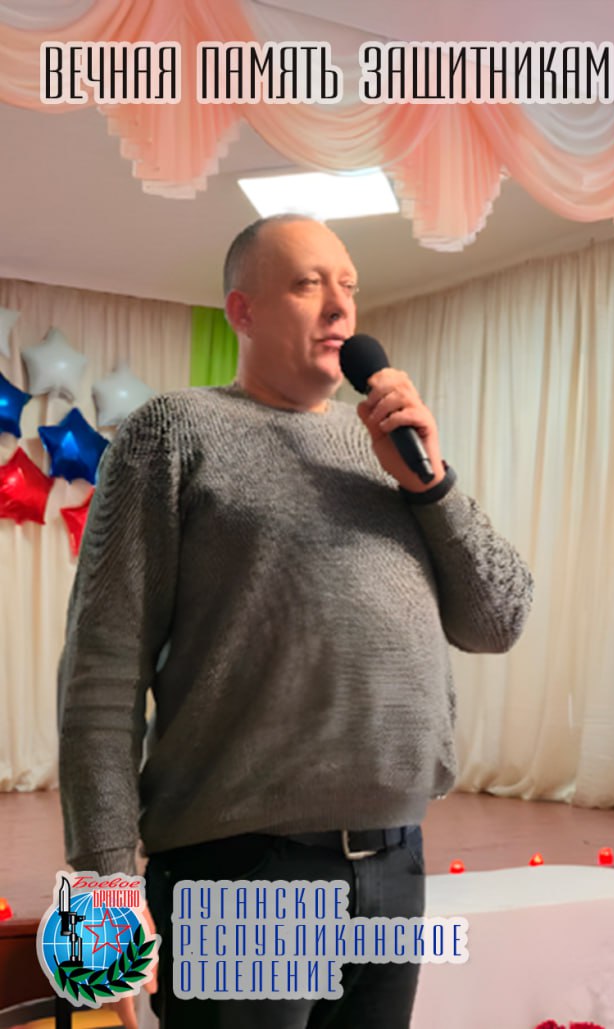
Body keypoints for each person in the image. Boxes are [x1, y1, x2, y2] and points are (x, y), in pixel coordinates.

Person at [57, 214, 534, 1028]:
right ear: (242, 310)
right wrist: (105, 884)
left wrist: (432, 485)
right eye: (308, 284)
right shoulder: (174, 432)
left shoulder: (390, 452)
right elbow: (102, 669)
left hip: (394, 862)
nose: (340, 307)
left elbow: (499, 618)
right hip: (249, 874)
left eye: (348, 286)